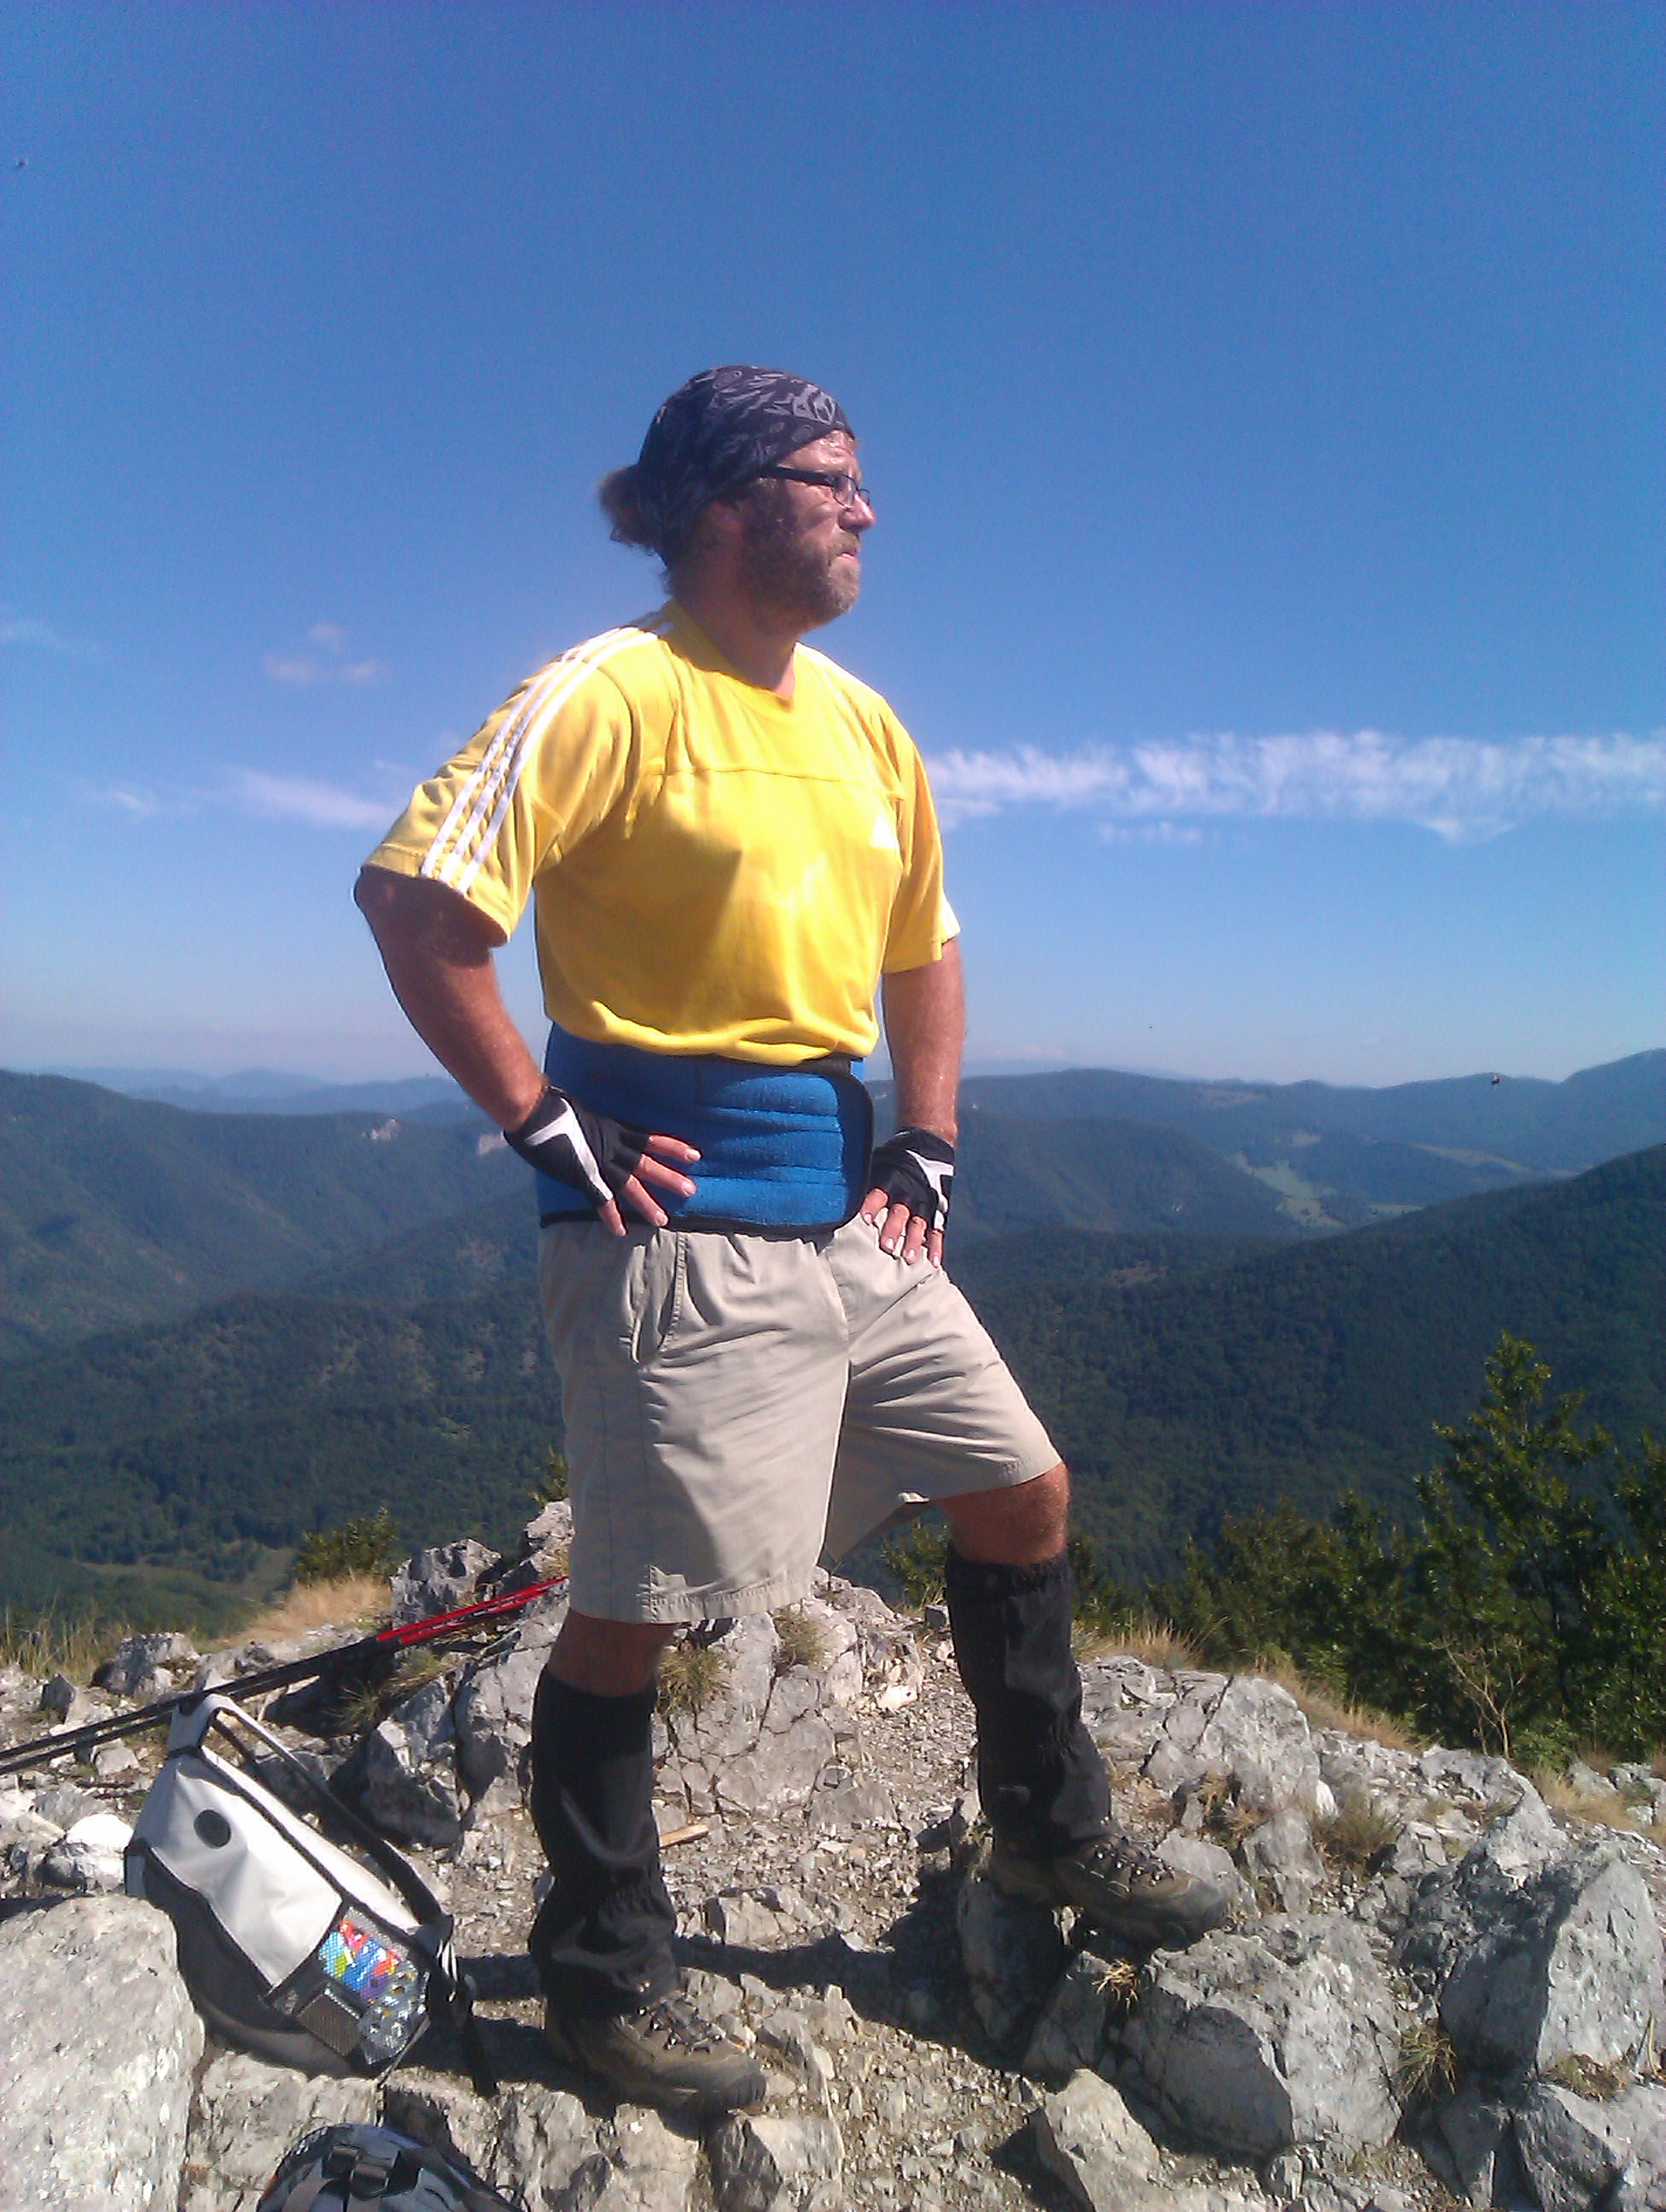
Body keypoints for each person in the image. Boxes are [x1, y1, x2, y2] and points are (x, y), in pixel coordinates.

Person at [355, 364, 1226, 2118]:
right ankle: (604, 1976)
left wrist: (930, 1137)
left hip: (856, 1215)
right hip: (678, 1234)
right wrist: (545, 1119)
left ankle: (1049, 1831)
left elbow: (926, 942)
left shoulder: (866, 724)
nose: (866, 507)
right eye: (832, 477)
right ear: (726, 505)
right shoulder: (609, 691)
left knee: (1021, 1491)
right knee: (636, 1612)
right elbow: (416, 897)